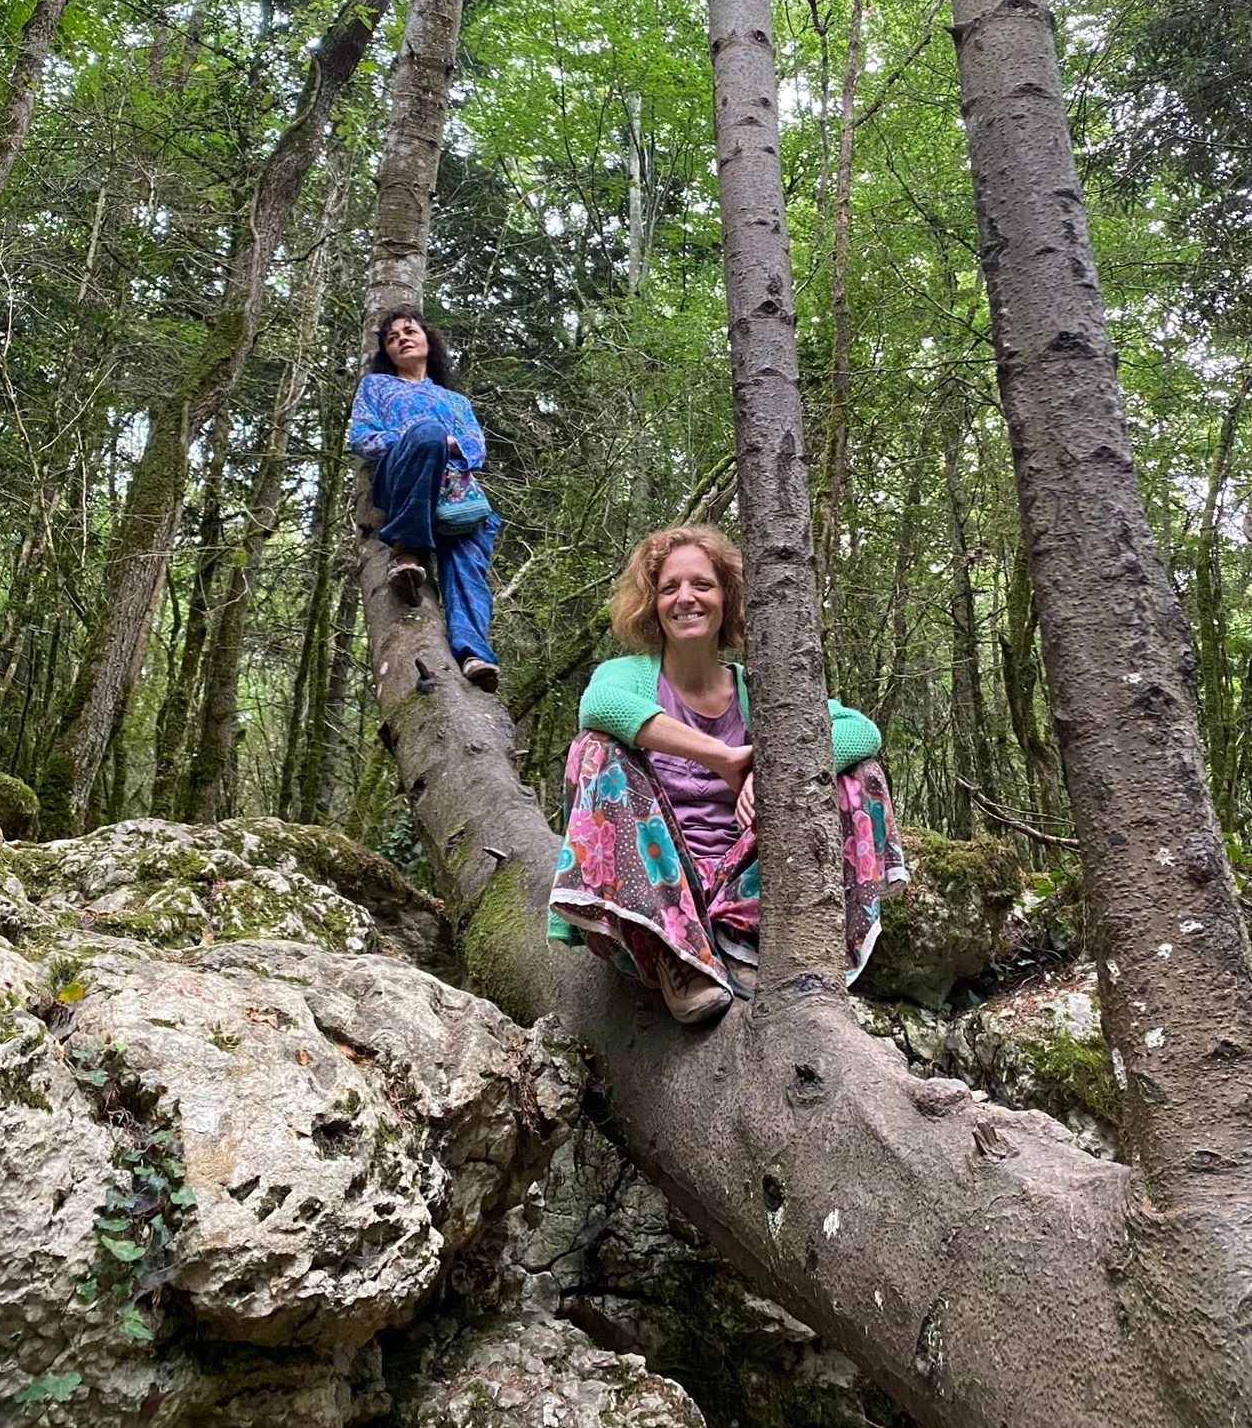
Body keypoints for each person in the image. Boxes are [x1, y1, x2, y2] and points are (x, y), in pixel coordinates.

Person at [547, 524, 906, 1026]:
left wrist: (768, 769)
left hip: (747, 877)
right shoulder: (629, 675)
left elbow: (862, 731)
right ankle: (676, 956)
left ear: (727, 597)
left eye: (702, 585)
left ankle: (751, 941)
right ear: (652, 604)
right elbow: (599, 706)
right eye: (669, 588)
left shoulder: (759, 690)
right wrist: (725, 757)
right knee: (595, 749)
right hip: (662, 882)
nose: (685, 598)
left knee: (856, 773)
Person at [348, 307, 500, 692]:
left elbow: (475, 448)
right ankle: (407, 552)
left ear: (428, 340)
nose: (402, 338)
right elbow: (363, 437)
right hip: (401, 480)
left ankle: (473, 655)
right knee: (428, 433)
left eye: (409, 330)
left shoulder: (455, 401)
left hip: (457, 494)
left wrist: (444, 443)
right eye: (392, 337)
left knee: (469, 569)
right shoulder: (377, 387)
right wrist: (423, 440)